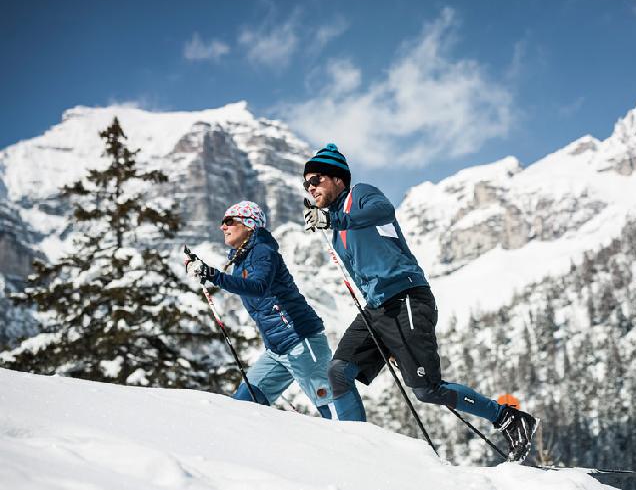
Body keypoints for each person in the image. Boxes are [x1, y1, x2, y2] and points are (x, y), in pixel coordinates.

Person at [301, 144, 539, 461]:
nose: (311, 187)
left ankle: (508, 418)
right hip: (376, 309)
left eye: (316, 179)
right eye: (306, 185)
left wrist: (335, 222)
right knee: (338, 372)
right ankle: (356, 453)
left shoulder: (361, 195)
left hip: (406, 298)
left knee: (427, 390)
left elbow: (383, 212)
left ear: (338, 179)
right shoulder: (334, 225)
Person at [185, 200, 335, 418]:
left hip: (302, 341)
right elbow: (245, 285)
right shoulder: (241, 261)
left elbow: (259, 287)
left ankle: (363, 450)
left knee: (330, 408)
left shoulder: (262, 251)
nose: (222, 227)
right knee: (242, 406)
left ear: (249, 225)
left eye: (229, 221)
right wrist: (206, 272)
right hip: (276, 350)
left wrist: (212, 275)